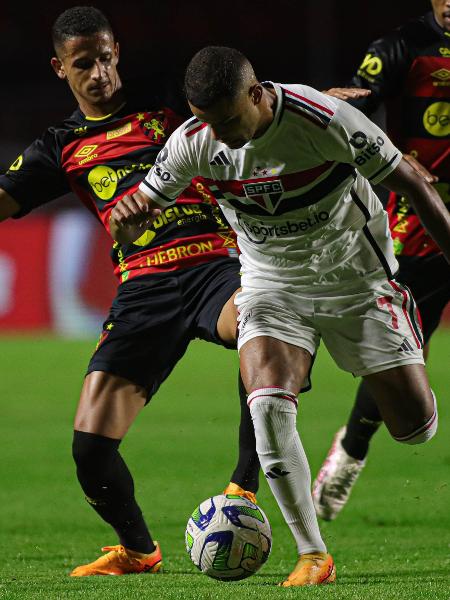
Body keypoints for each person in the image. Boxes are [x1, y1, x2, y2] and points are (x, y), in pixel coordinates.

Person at [115, 45, 450, 586]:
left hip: (356, 281)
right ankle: (314, 555)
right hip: (273, 285)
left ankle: (395, 345)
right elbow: (136, 215)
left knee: (414, 430)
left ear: (255, 94)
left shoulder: (324, 120)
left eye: (227, 120)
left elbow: (411, 183)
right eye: (206, 122)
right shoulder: (195, 142)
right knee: (266, 401)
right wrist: (127, 220)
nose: (219, 136)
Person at [0, 6, 262, 577]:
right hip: (142, 290)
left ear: (118, 52)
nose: (100, 73)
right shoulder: (61, 145)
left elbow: (248, 100)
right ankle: (140, 551)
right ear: (60, 69)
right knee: (90, 450)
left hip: (212, 266)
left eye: (106, 58)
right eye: (83, 64)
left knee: (261, 327)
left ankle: (243, 489)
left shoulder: (167, 99)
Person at [312, 0, 450, 521]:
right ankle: (351, 453)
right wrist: (396, 153)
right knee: (403, 353)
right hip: (421, 227)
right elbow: (350, 112)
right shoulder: (401, 48)